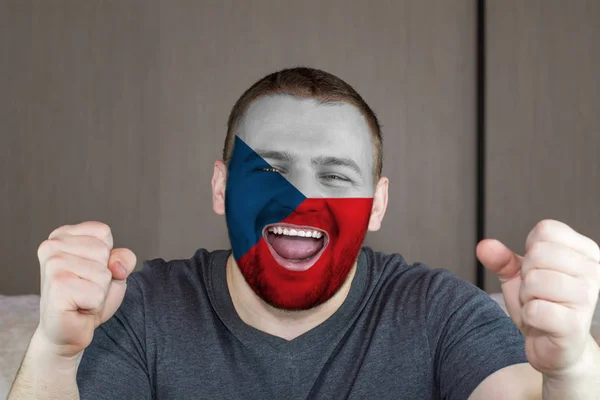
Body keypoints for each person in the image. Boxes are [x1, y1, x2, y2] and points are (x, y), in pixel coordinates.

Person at [8, 67, 600, 400]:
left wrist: (571, 368)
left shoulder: (441, 313)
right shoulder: (140, 311)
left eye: (337, 175)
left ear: (378, 205)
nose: (301, 199)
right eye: (268, 169)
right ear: (221, 188)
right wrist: (55, 354)